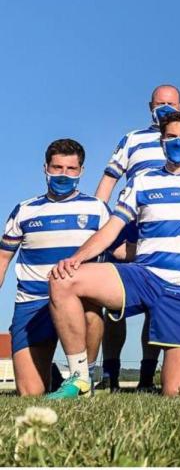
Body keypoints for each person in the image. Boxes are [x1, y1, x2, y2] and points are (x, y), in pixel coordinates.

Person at [46, 112, 180, 399]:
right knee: (63, 279)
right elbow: (112, 228)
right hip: (142, 276)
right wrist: (77, 258)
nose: (177, 142)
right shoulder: (143, 180)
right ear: (161, 141)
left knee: (174, 391)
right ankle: (81, 377)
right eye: (171, 137)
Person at [93, 84, 180, 392]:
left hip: (178, 230)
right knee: (116, 304)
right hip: (134, 219)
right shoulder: (133, 139)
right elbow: (109, 179)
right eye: (160, 103)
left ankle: (151, 373)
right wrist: (99, 224)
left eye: (170, 103)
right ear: (150, 106)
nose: (165, 107)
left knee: (163, 294)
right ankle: (110, 372)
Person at [0, 139, 121, 396]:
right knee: (31, 393)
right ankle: (54, 378)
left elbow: (117, 252)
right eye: (57, 167)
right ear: (45, 168)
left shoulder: (96, 208)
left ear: (81, 171)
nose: (63, 174)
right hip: (33, 304)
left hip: (78, 302)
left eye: (70, 169)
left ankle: (83, 378)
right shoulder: (24, 210)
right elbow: (2, 259)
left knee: (91, 307)